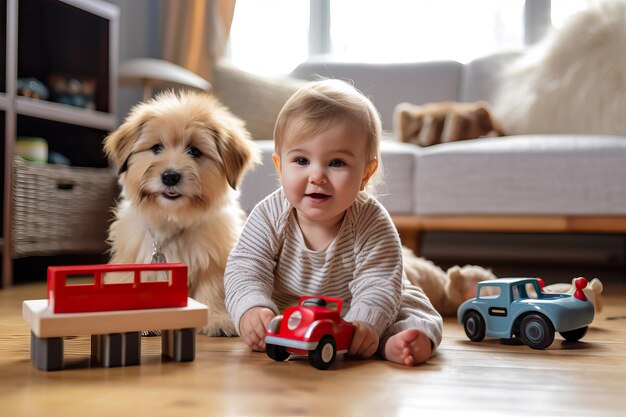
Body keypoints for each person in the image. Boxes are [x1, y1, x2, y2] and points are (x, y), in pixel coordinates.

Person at [224, 79, 442, 366]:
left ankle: (400, 343)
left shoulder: (371, 221)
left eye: (336, 163)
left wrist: (363, 324)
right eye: (301, 161)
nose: (317, 175)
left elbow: (378, 283)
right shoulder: (269, 214)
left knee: (413, 307)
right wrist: (252, 308)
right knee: (252, 298)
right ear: (279, 167)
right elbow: (244, 267)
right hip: (288, 311)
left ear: (366, 173)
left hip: (358, 306)